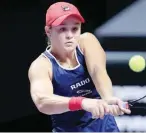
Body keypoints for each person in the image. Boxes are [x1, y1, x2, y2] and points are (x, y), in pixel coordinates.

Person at [28, 2, 131, 132]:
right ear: (48, 31)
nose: (70, 35)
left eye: (75, 29)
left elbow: (98, 72)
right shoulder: (41, 66)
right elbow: (42, 102)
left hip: (105, 128)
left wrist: (108, 98)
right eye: (62, 29)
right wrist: (82, 102)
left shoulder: (87, 42)